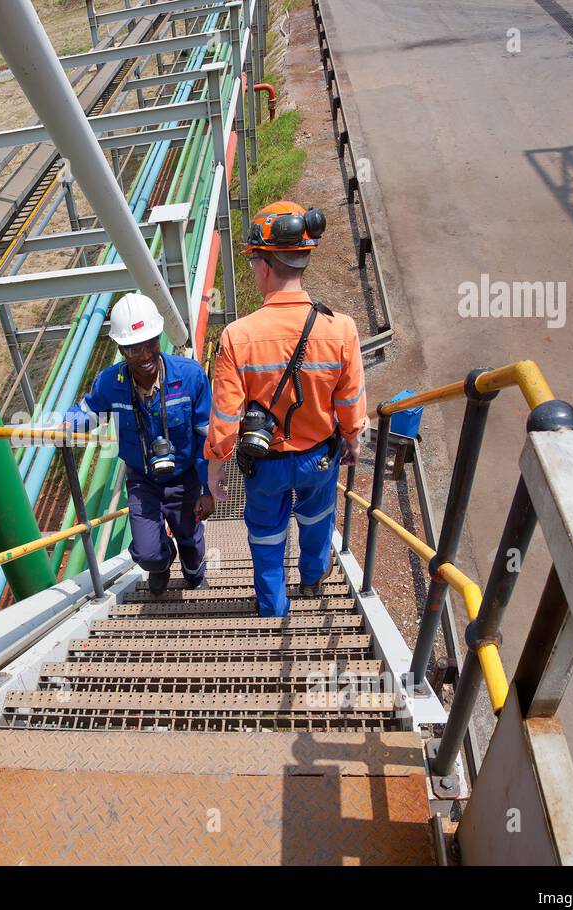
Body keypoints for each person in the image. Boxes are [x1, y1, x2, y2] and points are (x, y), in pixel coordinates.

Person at [204, 201, 367, 616]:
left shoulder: (237, 337)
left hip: (265, 463)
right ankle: (313, 579)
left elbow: (224, 416)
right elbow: (349, 400)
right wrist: (351, 440)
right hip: (318, 457)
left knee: (265, 535)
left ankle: (273, 607)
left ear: (262, 264)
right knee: (317, 520)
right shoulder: (340, 329)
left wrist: (216, 467)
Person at [66, 293, 214, 594]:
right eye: (134, 348)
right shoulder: (110, 383)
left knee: (189, 536)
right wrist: (58, 427)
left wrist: (208, 488)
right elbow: (87, 414)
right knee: (147, 552)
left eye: (151, 343)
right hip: (142, 479)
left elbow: (206, 437)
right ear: (121, 349)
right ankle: (161, 562)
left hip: (185, 477)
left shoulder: (190, 377)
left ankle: (193, 571)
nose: (145, 355)